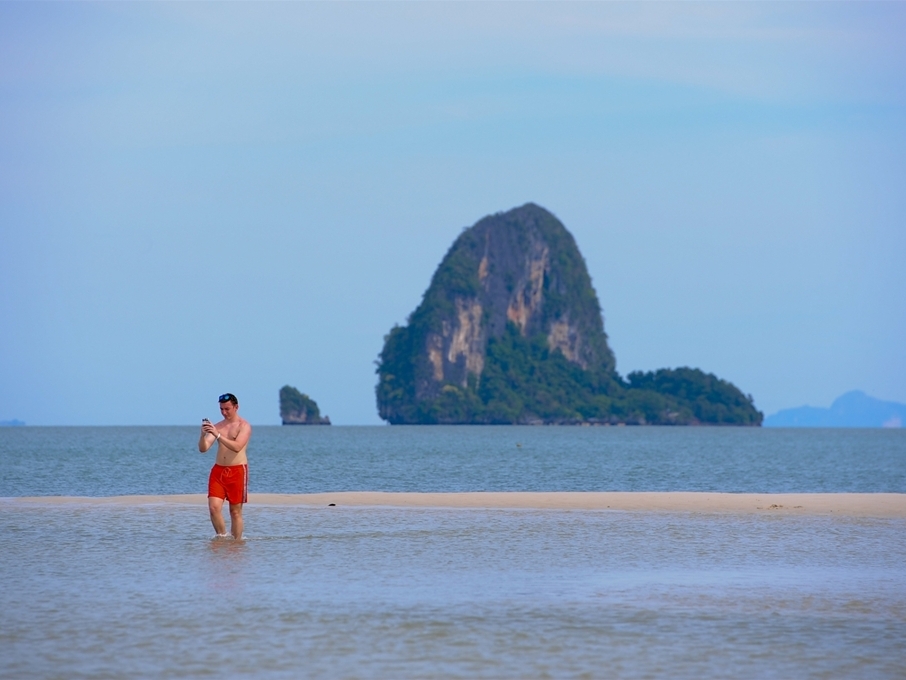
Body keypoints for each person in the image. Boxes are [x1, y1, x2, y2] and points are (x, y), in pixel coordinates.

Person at [198, 393, 252, 539]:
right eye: (221, 409)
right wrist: (203, 435)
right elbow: (203, 449)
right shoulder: (218, 427)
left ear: (236, 407)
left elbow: (237, 446)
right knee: (213, 508)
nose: (224, 412)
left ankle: (236, 543)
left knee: (235, 512)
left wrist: (218, 436)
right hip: (218, 471)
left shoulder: (244, 426)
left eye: (227, 409)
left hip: (237, 471)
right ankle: (222, 538)